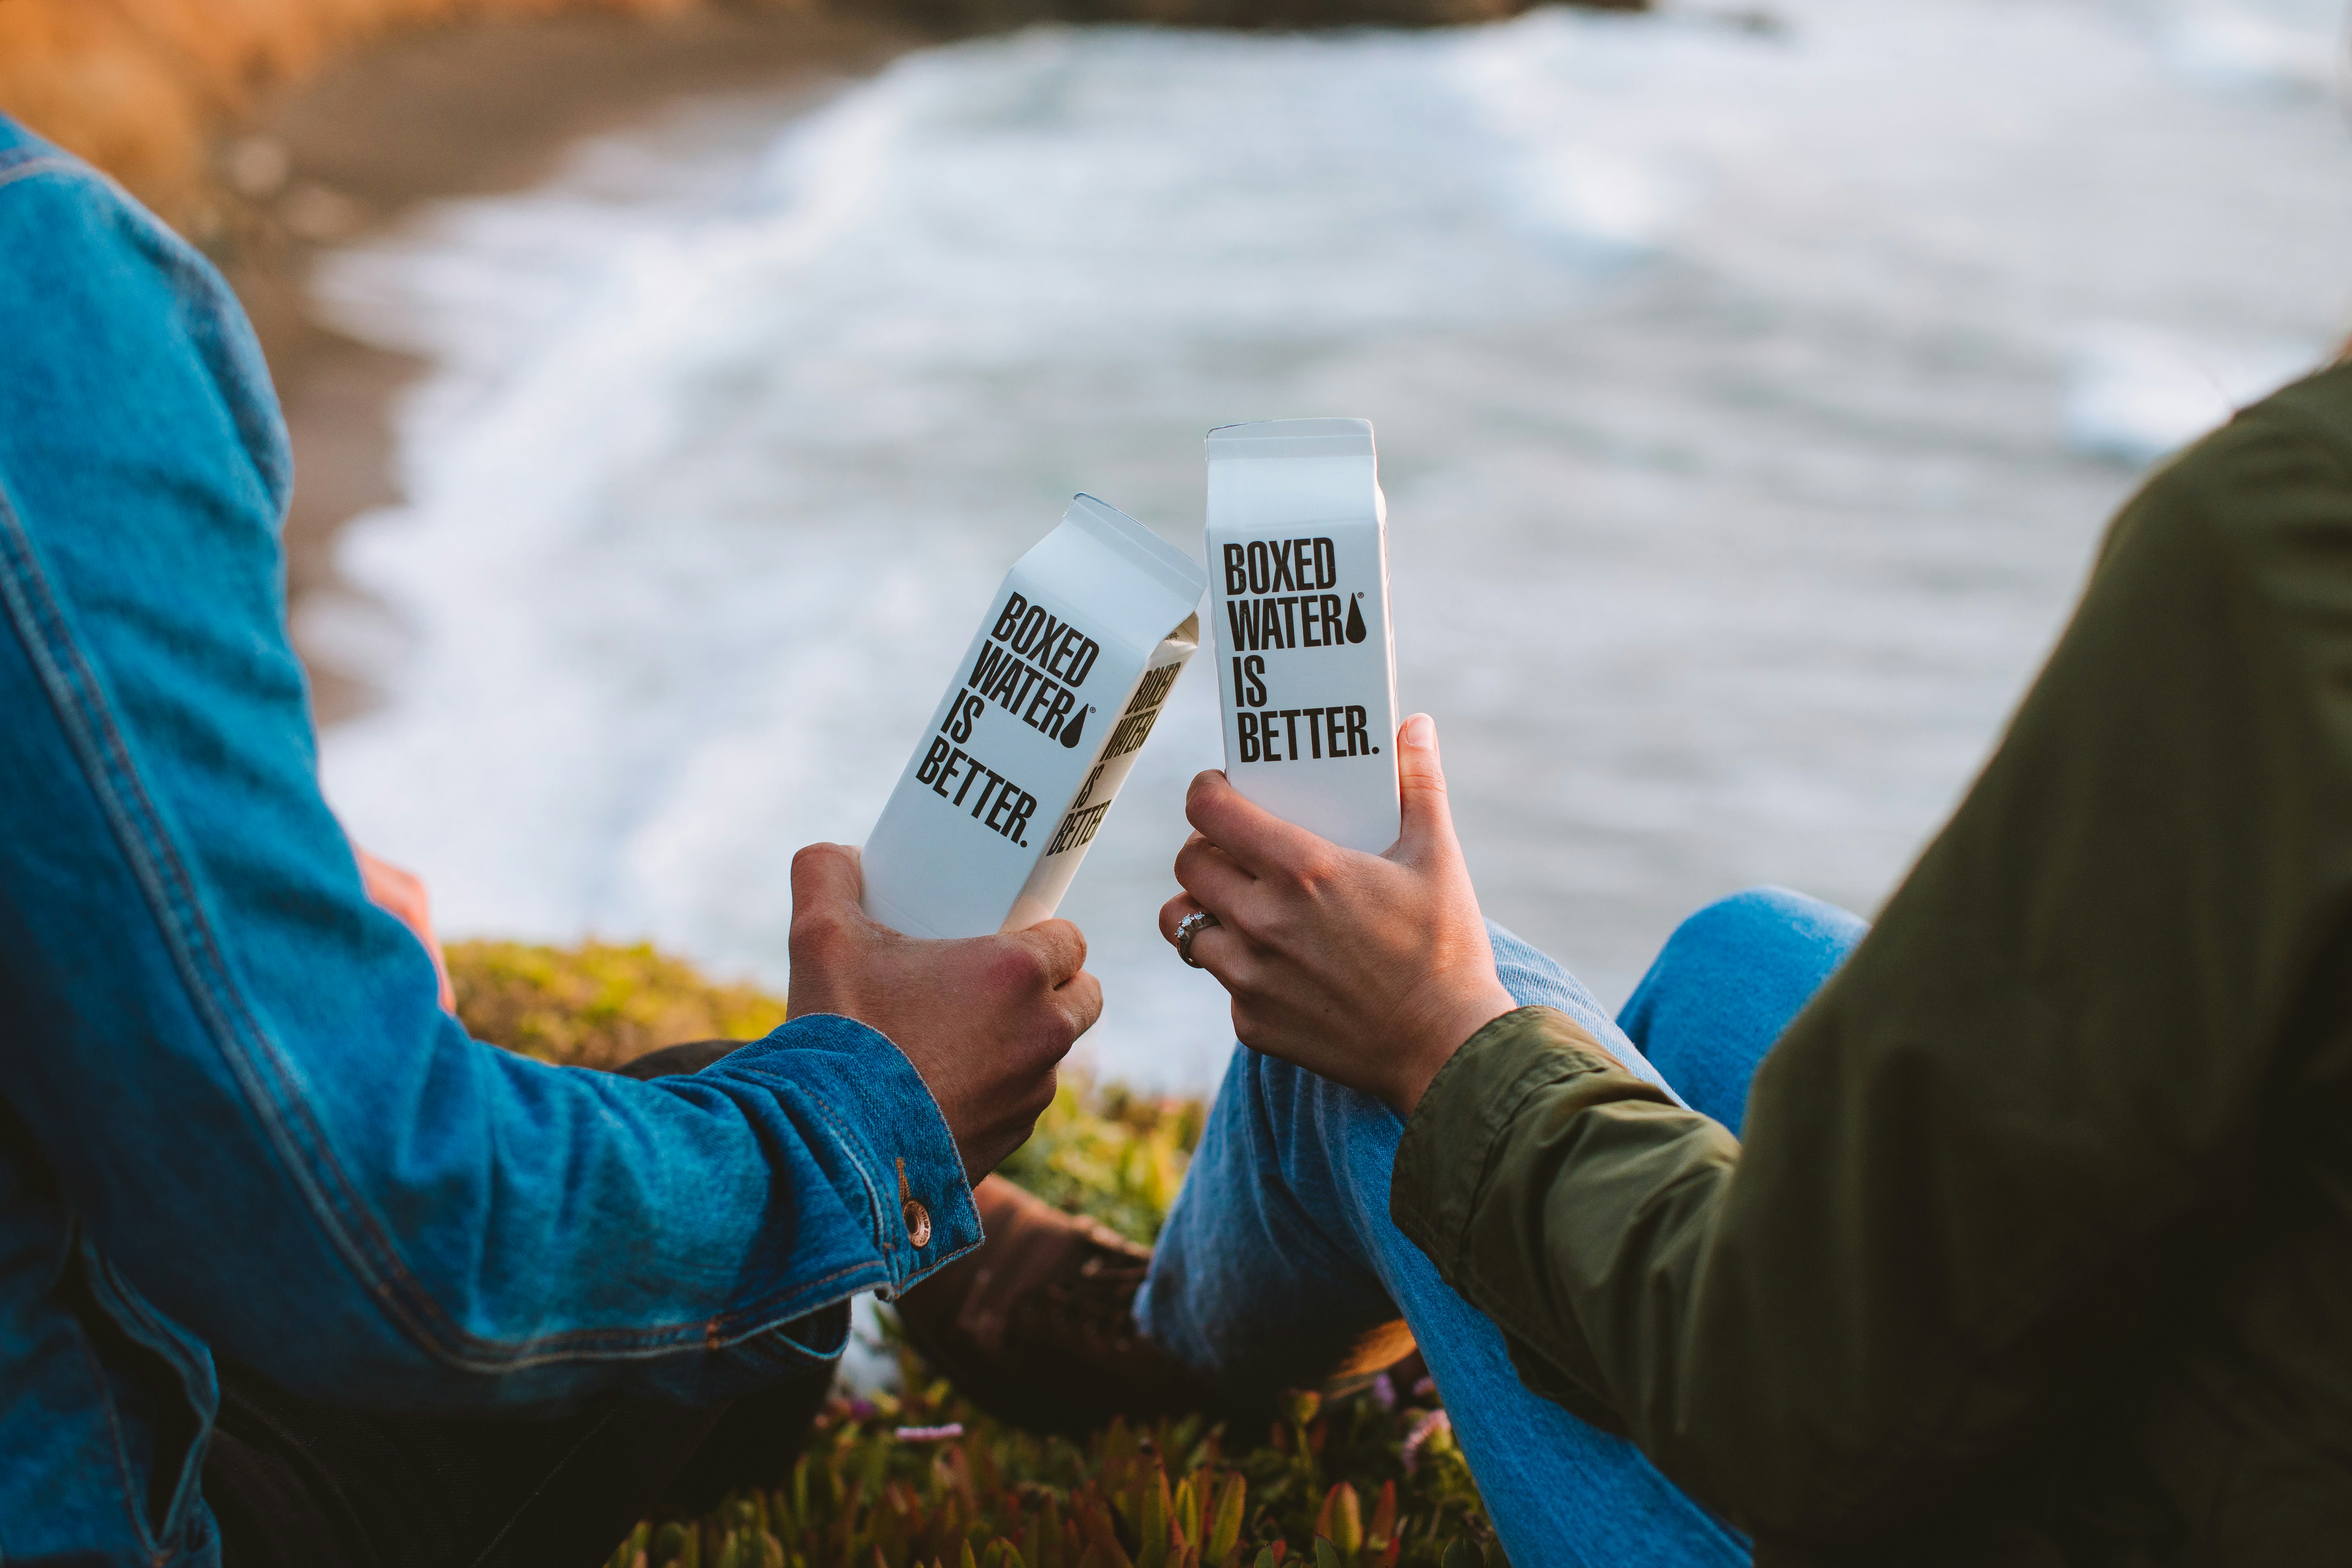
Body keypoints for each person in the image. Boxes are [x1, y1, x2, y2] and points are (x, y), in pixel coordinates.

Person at [903, 356, 2352, 1565]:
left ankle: (1162, 1356)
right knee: (1742, 956)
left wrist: (1434, 1033)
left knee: (1369, 1042)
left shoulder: (2290, 545)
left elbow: (1810, 1396)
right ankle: (1447, 1297)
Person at [0, 117, 1104, 1567]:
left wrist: (251, 890)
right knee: (730, 1130)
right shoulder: (41, 301)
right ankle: (1003, 1295)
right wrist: (872, 1125)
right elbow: (386, 1233)